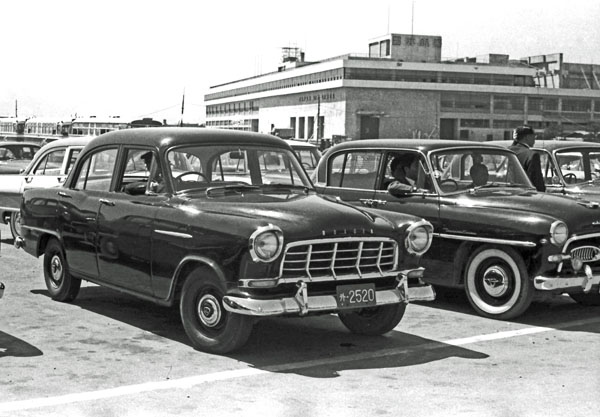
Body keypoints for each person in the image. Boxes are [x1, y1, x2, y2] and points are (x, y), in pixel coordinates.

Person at [509, 125, 545, 191]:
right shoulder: (532, 155)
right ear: (528, 137)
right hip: (525, 194)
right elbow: (536, 181)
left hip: (505, 192)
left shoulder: (506, 152)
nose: (535, 139)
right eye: (534, 136)